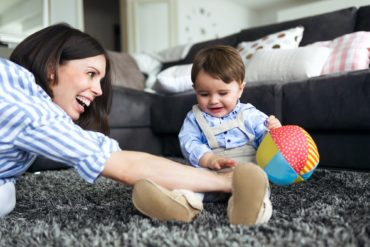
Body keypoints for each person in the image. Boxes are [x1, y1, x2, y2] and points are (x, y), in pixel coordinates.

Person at [0, 23, 268, 225]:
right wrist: (225, 181)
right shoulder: (31, 112)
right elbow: (124, 165)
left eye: (99, 79)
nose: (98, 91)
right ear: (50, 67)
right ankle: (182, 202)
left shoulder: (15, 86)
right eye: (91, 74)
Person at [178, 45, 282, 220]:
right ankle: (182, 205)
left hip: (246, 173)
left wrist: (274, 134)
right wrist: (208, 158)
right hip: (210, 175)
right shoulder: (194, 118)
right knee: (189, 181)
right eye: (204, 94)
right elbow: (189, 141)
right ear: (195, 89)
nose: (213, 100)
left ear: (240, 89)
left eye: (223, 93)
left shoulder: (250, 114)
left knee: (257, 183)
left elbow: (266, 145)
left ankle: (249, 209)